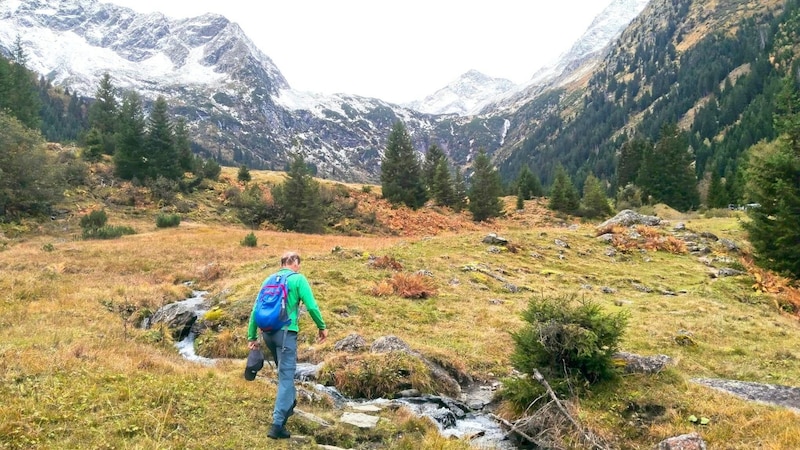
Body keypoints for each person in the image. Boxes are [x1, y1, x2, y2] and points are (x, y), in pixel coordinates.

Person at [247, 251, 328, 440]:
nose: (299, 267)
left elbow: (255, 310)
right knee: (286, 378)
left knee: (284, 374)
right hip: (286, 334)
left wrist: (252, 337)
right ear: (295, 263)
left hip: (267, 334)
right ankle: (276, 425)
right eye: (298, 264)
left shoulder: (268, 280)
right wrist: (322, 327)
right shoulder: (298, 279)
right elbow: (312, 306)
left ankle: (287, 409)